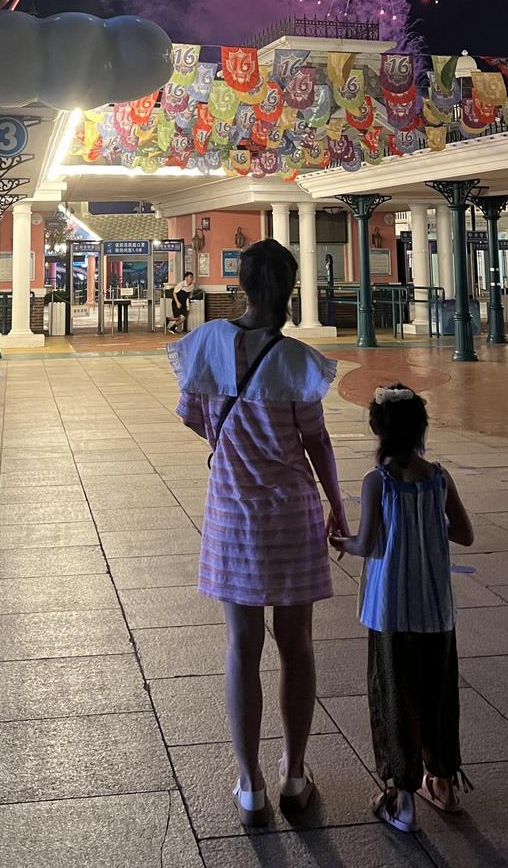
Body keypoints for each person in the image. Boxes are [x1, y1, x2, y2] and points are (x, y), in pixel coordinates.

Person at [168, 239, 348, 828]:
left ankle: (249, 787)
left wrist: (233, 448)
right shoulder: (299, 360)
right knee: (295, 645)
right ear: (291, 288)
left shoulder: (207, 345)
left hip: (232, 516)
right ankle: (295, 775)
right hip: (291, 515)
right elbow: (316, 443)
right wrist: (337, 505)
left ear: (242, 285)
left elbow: (196, 419)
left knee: (242, 646)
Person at [330, 385, 474, 832]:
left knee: (394, 697)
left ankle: (402, 797)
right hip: (436, 611)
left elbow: (366, 543)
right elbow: (465, 534)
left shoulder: (379, 481)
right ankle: (445, 784)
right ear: (421, 429)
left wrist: (339, 540)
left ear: (376, 428)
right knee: (438, 696)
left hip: (390, 611)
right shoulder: (440, 478)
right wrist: (427, 525)